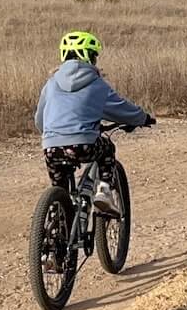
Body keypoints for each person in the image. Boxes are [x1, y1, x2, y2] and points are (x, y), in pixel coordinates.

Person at [36, 31, 153, 193]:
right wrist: (143, 118)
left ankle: (56, 212)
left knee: (59, 187)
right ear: (88, 57)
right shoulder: (96, 84)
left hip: (51, 147)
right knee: (107, 148)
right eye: (94, 56)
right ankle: (104, 193)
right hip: (83, 145)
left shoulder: (50, 84)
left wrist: (54, 134)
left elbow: (39, 120)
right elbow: (121, 108)